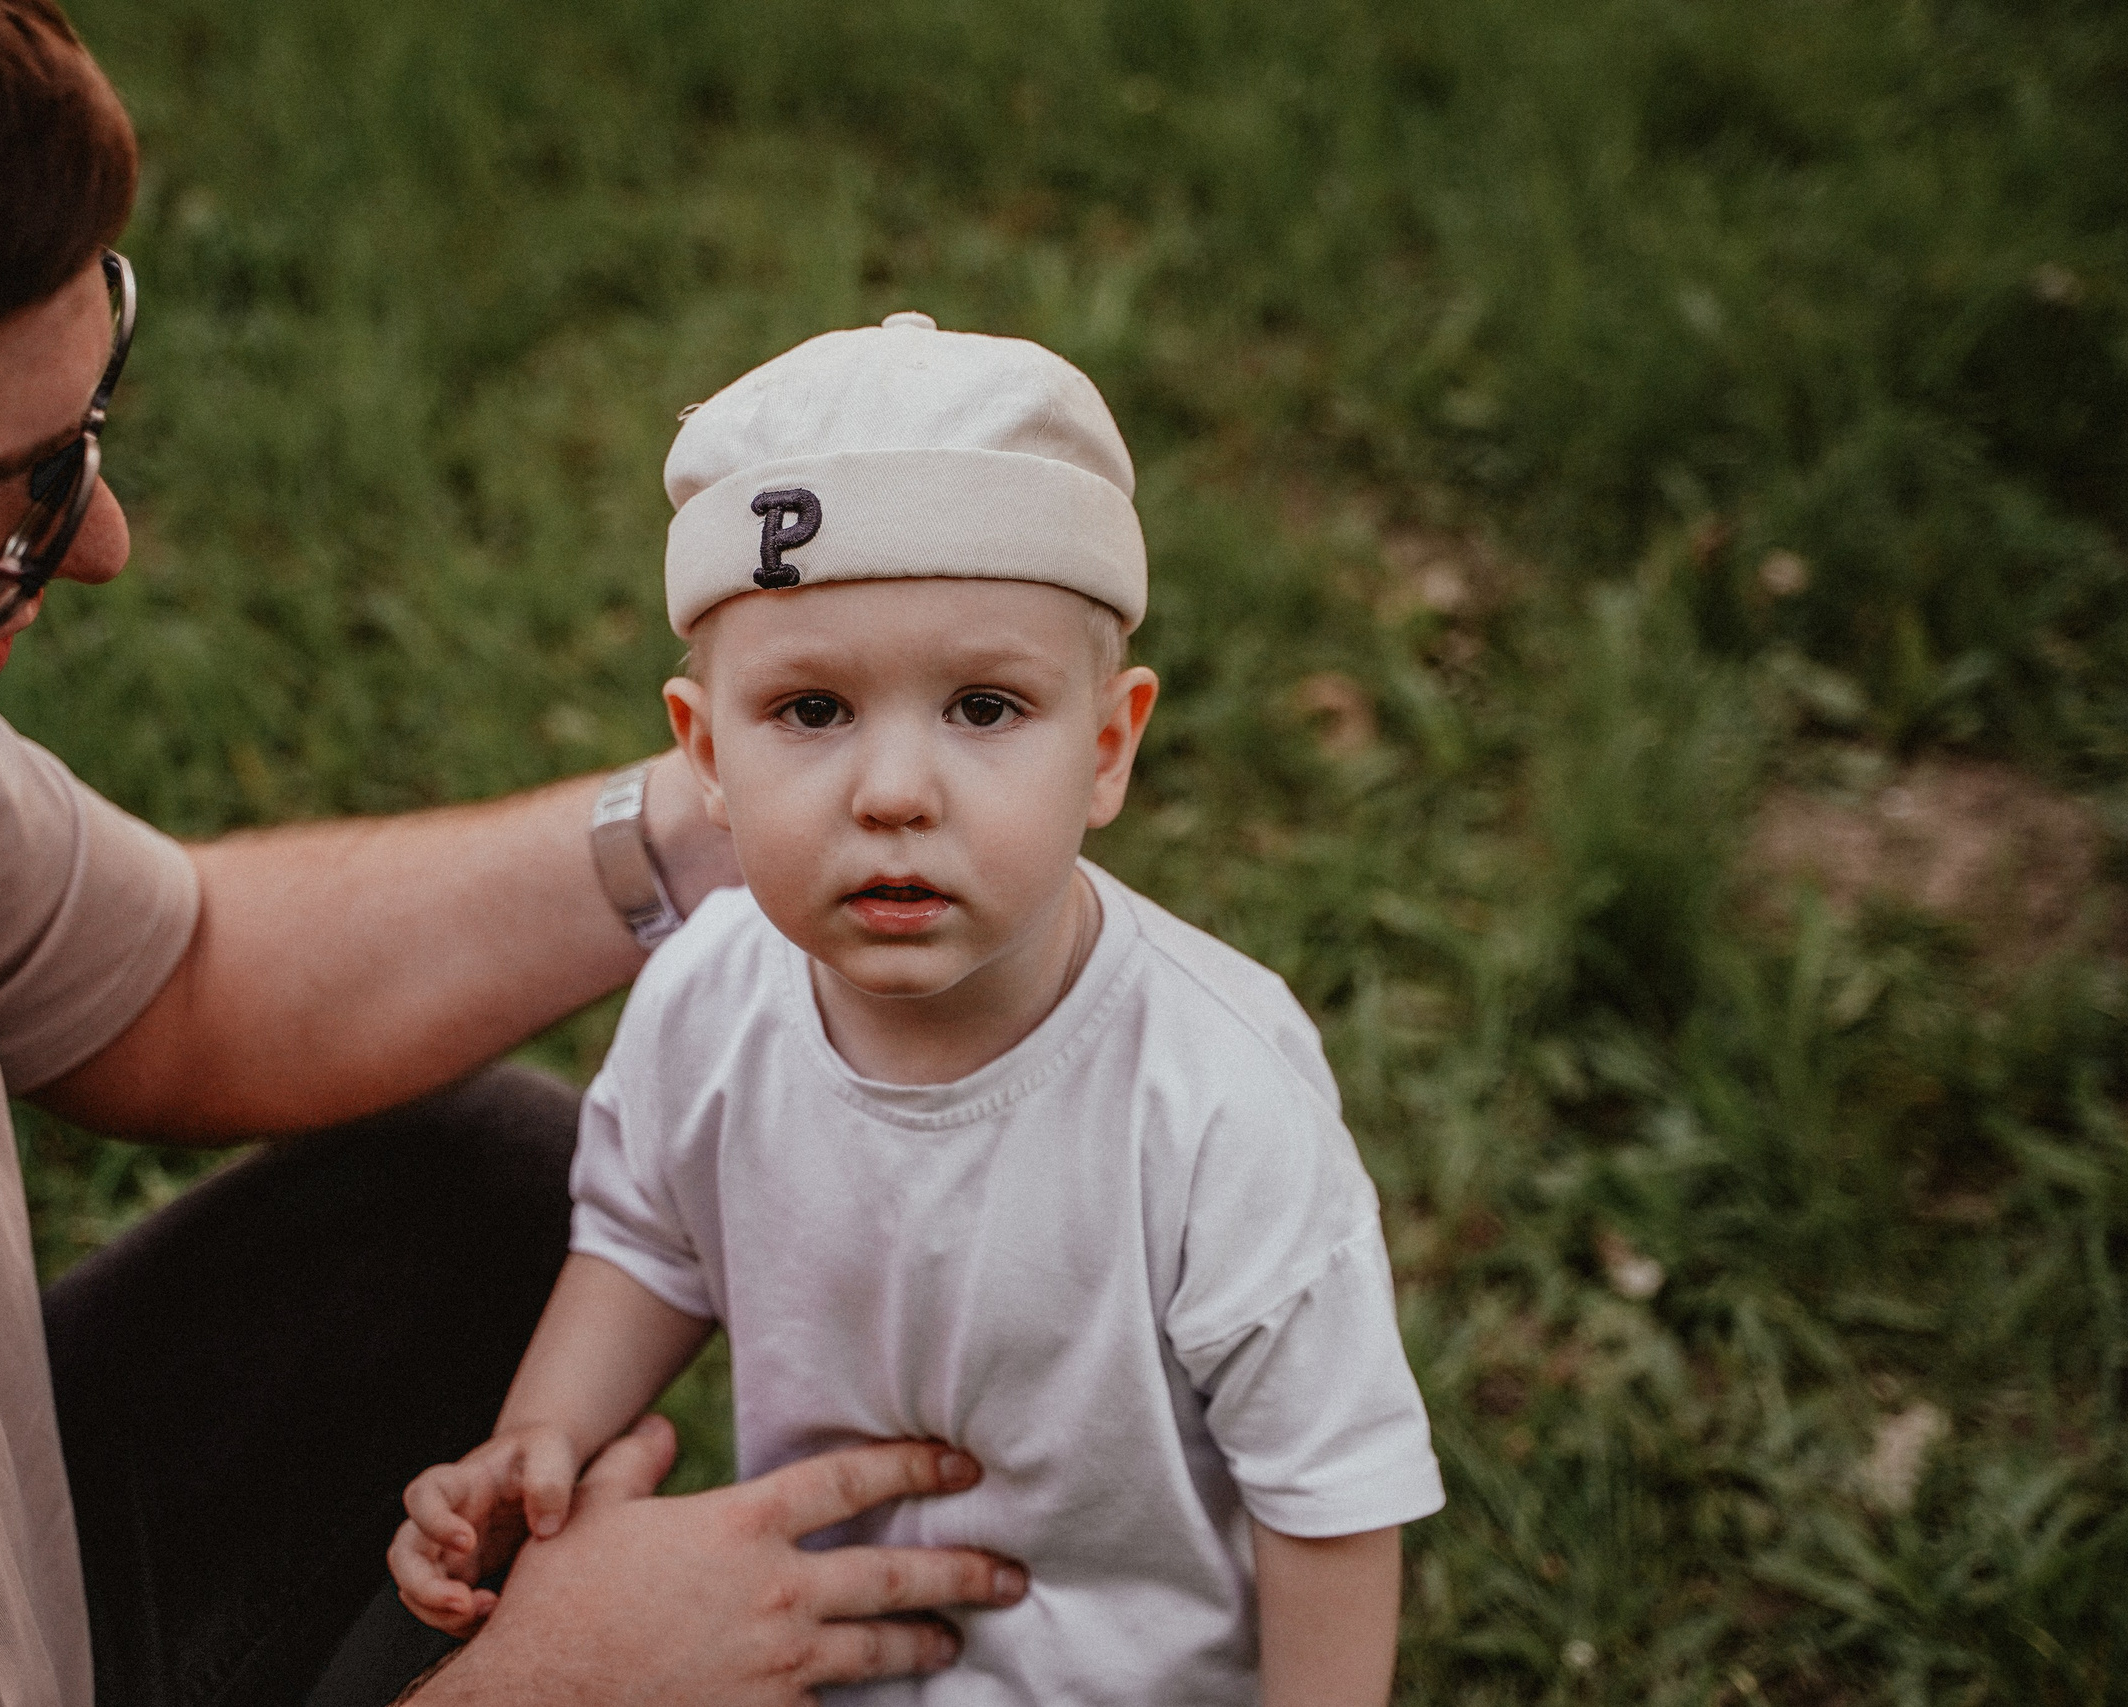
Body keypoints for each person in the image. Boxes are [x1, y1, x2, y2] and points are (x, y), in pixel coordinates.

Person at [0, 4, 1032, 1705]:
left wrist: (740, 811)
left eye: (79, 436)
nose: (95, 545)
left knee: (475, 1187)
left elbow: (180, 979)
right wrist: (546, 1687)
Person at [386, 318, 1445, 1702]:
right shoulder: (709, 995)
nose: (894, 790)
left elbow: (1332, 1489)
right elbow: (650, 1238)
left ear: (1109, 745)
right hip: (808, 1663)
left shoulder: (1214, 1100)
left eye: (985, 707)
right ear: (704, 752)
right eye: (812, 710)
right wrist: (542, 1432)